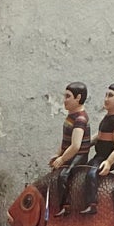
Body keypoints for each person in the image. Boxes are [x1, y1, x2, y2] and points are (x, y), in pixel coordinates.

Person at [70, 82, 114, 215]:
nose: (106, 98)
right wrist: (87, 143)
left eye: (110, 95)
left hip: (105, 158)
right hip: (98, 156)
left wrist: (108, 162)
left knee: (91, 174)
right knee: (83, 170)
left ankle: (92, 204)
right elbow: (100, 135)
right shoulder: (108, 117)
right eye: (106, 95)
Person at [46, 84, 89, 217]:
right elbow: (66, 141)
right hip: (69, 152)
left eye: (68, 96)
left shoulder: (80, 119)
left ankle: (66, 206)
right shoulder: (71, 116)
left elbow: (75, 146)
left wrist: (62, 159)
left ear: (78, 98)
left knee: (64, 176)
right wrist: (58, 154)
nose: (64, 100)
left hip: (79, 155)